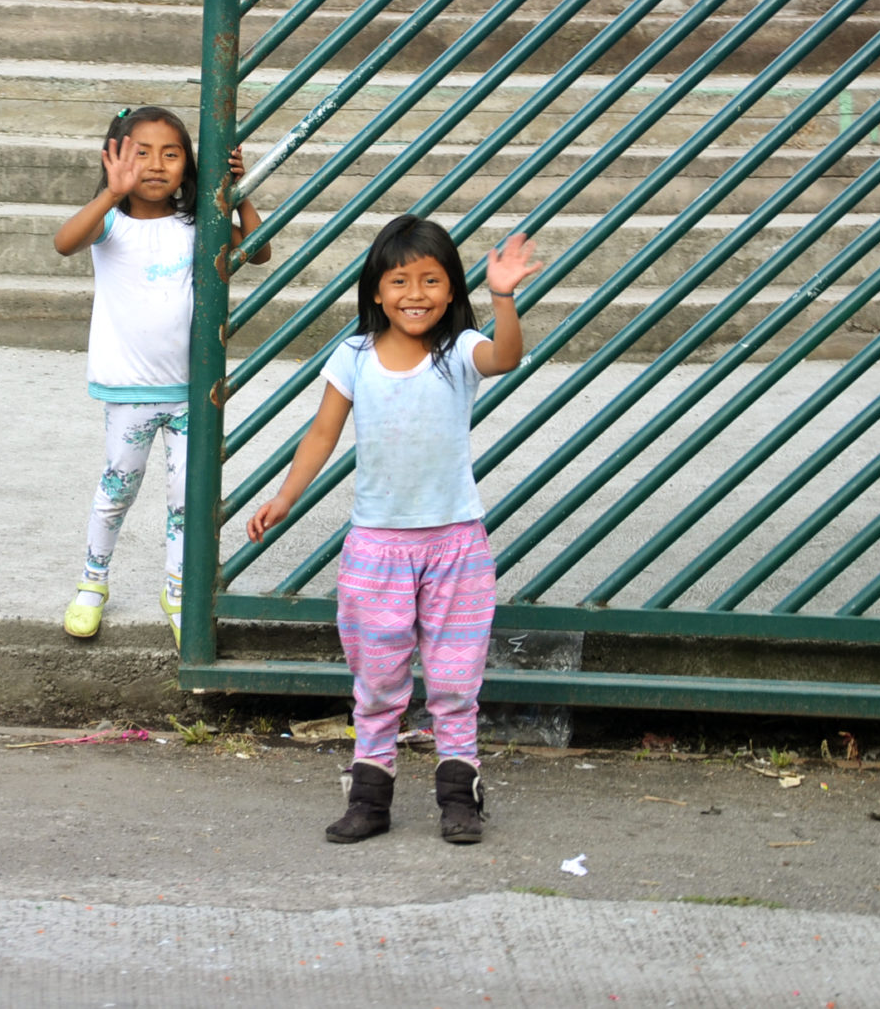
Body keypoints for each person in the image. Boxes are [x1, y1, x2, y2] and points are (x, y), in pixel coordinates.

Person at [247, 215, 544, 845]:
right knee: (378, 679)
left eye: (432, 280)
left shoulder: (460, 350)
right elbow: (323, 432)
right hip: (377, 548)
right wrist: (284, 498)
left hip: (455, 545)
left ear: (453, 290)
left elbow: (507, 356)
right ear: (376, 291)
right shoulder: (353, 355)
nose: (416, 293)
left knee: (456, 678)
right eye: (401, 280)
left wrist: (505, 298)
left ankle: (460, 797)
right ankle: (370, 797)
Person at [52, 106, 268, 647]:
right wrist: (109, 191)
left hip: (192, 391)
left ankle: (178, 589)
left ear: (189, 165)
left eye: (171, 154)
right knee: (117, 489)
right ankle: (92, 584)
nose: (155, 164)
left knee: (187, 498)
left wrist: (236, 190)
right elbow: (63, 241)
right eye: (140, 152)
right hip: (129, 391)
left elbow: (259, 251)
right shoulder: (110, 222)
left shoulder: (198, 223)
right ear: (115, 157)